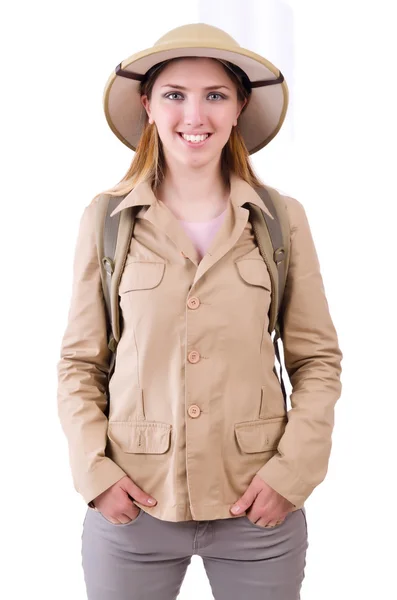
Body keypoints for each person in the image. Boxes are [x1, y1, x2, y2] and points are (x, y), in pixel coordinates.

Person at [57, 22, 343, 600]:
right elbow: (79, 364)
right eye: (174, 95)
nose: (196, 114)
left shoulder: (280, 219)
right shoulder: (107, 219)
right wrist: (96, 474)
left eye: (215, 95)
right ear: (148, 106)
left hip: (257, 508)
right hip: (133, 506)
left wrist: (291, 476)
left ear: (238, 108)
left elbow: (317, 360)